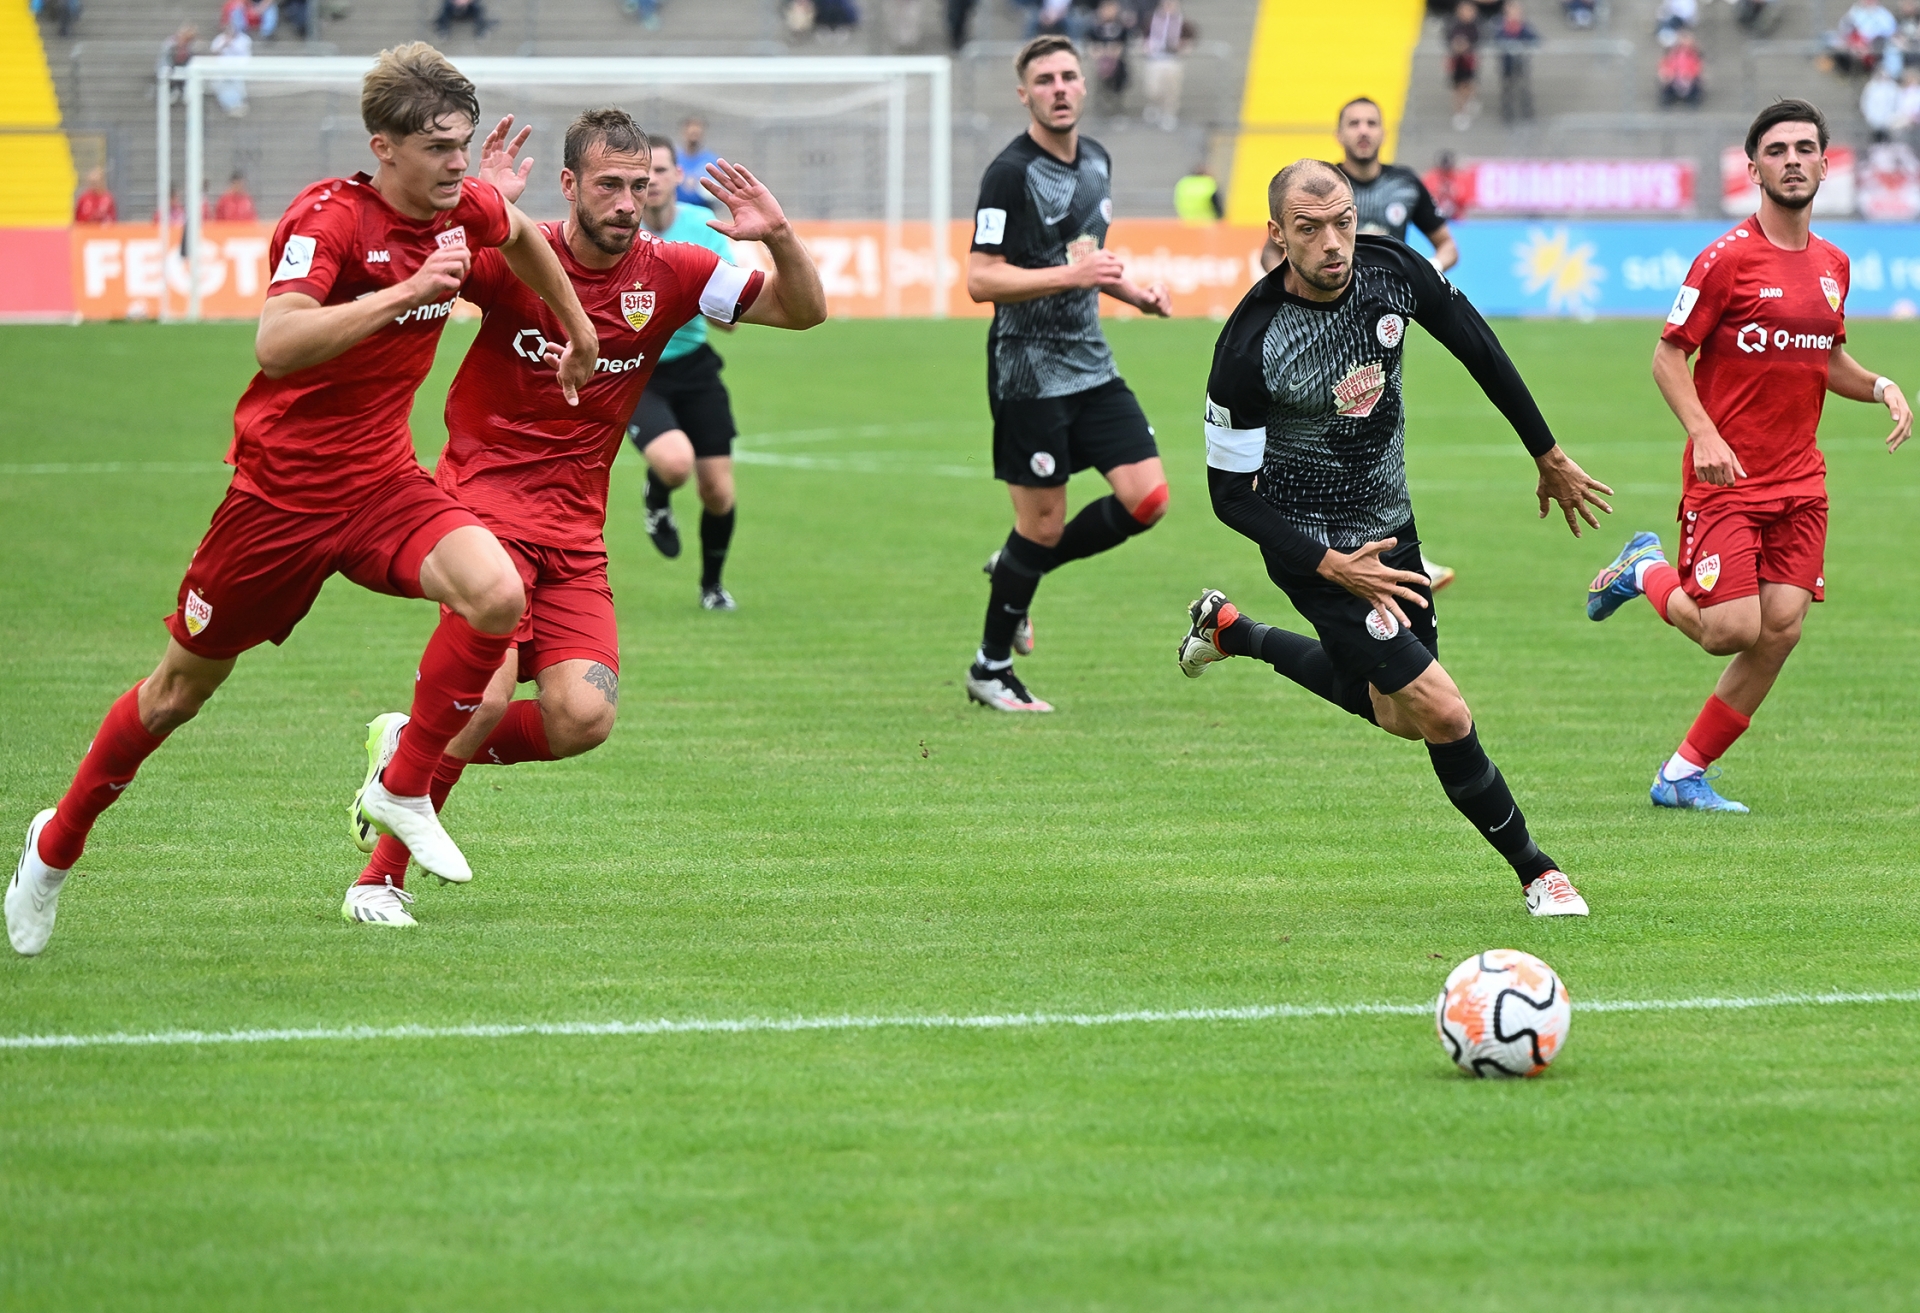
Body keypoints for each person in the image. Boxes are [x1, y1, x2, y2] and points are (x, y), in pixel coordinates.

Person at [4, 43, 600, 954]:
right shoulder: (329, 219)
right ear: (384, 147)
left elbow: (519, 233)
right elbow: (277, 343)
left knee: (496, 591)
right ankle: (54, 846)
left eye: (462, 144)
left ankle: (401, 784)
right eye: (438, 148)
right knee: (175, 695)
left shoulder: (461, 204)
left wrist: (580, 329)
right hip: (277, 503)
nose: (457, 164)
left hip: (383, 485)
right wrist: (406, 292)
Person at [343, 110, 826, 921]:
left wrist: (777, 235)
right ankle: (377, 881)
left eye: (639, 185)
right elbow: (415, 269)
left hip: (573, 534)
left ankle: (408, 749)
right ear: (568, 184)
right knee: (483, 699)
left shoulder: (674, 270)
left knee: (582, 717)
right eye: (608, 185)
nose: (627, 202)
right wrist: (480, 206)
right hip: (480, 514)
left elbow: (801, 311)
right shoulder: (516, 254)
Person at [1176, 158, 1612, 917]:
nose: (1332, 242)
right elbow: (1230, 497)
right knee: (1443, 712)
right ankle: (1539, 872)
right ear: (1277, 235)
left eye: (1342, 221)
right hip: (1313, 549)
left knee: (1396, 713)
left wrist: (1546, 452)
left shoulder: (1392, 270)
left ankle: (1234, 632)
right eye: (1309, 229)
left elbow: (1476, 344)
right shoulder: (1249, 345)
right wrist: (1331, 566)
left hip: (1392, 531)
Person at [1586, 99, 1912, 814]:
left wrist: (1880, 385)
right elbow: (1668, 356)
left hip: (1800, 480)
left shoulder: (1834, 264)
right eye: (1777, 150)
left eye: (1805, 148)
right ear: (1754, 168)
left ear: (1825, 163)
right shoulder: (1725, 259)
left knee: (1781, 627)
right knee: (1730, 630)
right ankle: (1644, 569)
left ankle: (1682, 773)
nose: (1793, 160)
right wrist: (1704, 433)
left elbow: (1823, 356)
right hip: (1727, 479)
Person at [964, 35, 1174, 713]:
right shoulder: (1009, 173)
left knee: (1147, 499)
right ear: (1024, 94)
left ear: (1084, 85)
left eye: (1067, 76)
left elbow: (1084, 257)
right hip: (1028, 372)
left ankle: (1016, 570)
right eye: (1045, 80)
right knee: (1043, 525)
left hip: (1091, 364)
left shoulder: (1098, 161)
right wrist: (1069, 275)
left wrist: (1133, 294)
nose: (1058, 88)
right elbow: (981, 279)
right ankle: (990, 667)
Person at [1261, 97, 1461, 590]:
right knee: (1331, 427)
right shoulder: (1321, 189)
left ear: (1384, 131)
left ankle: (1388, 548)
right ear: (1340, 134)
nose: (1363, 130)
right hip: (1321, 326)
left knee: (1377, 430)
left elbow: (1446, 245)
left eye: (1372, 122)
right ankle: (1333, 544)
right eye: (1354, 123)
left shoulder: (1405, 185)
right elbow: (1270, 256)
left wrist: (1421, 284)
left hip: (1380, 330)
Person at [626, 136, 755, 610]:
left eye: (661, 171)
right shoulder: (618, 231)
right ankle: (657, 496)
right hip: (637, 371)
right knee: (675, 462)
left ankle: (712, 587)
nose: (653, 181)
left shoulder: (703, 227)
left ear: (678, 176)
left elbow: (729, 321)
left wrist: (697, 291)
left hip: (695, 366)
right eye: (643, 175)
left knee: (718, 490)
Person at [1141, 0, 1192, 129]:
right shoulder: (1152, 21)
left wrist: (1183, 46)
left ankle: (1169, 113)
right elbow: (1145, 37)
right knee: (1153, 88)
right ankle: (1155, 106)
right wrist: (1147, 46)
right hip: (1156, 59)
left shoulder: (1182, 22)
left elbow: (1190, 38)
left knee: (1171, 89)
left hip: (1173, 59)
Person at [1494, 1, 1538, 123]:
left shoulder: (1524, 27)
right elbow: (1496, 39)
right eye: (1511, 12)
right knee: (1508, 89)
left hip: (1521, 64)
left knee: (1524, 88)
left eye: (1517, 12)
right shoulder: (1500, 26)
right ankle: (1507, 113)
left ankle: (1527, 112)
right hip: (1507, 64)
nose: (1514, 15)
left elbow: (1535, 39)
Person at [1086, 0, 1132, 115]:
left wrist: (1115, 51)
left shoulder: (1121, 28)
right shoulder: (1095, 28)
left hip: (1117, 62)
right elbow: (1091, 45)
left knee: (1120, 72)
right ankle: (1100, 105)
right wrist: (1099, 51)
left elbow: (1123, 45)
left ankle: (1116, 105)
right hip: (1099, 62)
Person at [1446, 2, 1481, 131]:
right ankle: (1459, 112)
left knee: (1469, 84)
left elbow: (1478, 40)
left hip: (1469, 62)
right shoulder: (1453, 25)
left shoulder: (1475, 27)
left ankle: (1469, 102)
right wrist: (1457, 46)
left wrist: (1467, 46)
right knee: (1457, 88)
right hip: (1457, 62)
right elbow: (1449, 39)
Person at [676, 117, 721, 207]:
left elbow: (718, 191)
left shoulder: (711, 160)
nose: (694, 136)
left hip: (702, 209)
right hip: (677, 209)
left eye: (697, 133)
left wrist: (698, 186)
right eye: (691, 132)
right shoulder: (674, 158)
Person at [1658, 30, 1704, 107]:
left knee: (1695, 83)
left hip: (1689, 79)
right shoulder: (1671, 54)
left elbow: (1699, 67)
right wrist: (1667, 74)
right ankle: (1668, 98)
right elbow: (1664, 65)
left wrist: (1690, 75)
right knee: (1666, 81)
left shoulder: (1695, 54)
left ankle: (1692, 98)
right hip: (1674, 78)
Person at [1423, 150, 1468, 222]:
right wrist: (1438, 193)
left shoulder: (1459, 178)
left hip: (1455, 219)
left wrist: (1453, 193)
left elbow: (1464, 199)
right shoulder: (1431, 178)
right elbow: (1425, 198)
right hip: (1433, 218)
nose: (1446, 171)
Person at [1864, 63, 1901, 140]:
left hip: (1890, 118)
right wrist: (1870, 116)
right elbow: (1866, 102)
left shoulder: (1893, 87)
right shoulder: (1871, 86)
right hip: (1874, 118)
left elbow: (1898, 102)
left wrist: (1894, 116)